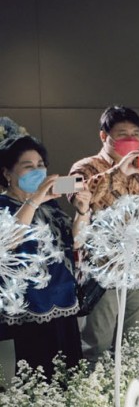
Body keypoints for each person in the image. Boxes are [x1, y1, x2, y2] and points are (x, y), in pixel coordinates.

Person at [70, 106, 139, 362]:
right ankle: (93, 387)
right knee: (97, 343)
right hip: (103, 271)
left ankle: (130, 387)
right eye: (122, 134)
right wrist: (120, 171)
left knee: (134, 344)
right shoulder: (85, 167)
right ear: (104, 136)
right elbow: (82, 199)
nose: (130, 139)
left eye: (135, 134)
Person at [0, 135, 83, 374]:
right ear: (7, 173)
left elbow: (75, 241)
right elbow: (8, 241)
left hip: (63, 299)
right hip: (27, 307)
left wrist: (83, 211)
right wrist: (35, 200)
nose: (37, 171)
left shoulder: (50, 205)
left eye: (41, 165)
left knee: (68, 373)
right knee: (35, 373)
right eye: (28, 166)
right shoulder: (4, 205)